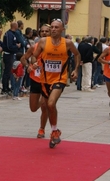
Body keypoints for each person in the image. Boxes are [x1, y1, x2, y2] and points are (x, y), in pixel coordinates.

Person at [32, 19, 80, 148]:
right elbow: (34, 56)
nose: (53, 29)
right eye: (52, 27)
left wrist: (75, 69)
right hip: (45, 80)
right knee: (48, 107)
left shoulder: (68, 43)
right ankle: (54, 130)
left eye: (56, 27)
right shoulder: (43, 42)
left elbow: (77, 55)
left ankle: (54, 131)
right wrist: (34, 63)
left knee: (51, 103)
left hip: (60, 79)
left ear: (62, 30)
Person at [20, 23, 50, 138]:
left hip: (48, 80)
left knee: (45, 106)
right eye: (42, 31)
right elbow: (23, 58)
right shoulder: (35, 47)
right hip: (35, 79)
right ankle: (43, 102)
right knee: (33, 108)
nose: (44, 33)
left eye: (47, 31)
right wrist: (28, 66)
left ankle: (42, 129)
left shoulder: (55, 48)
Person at [2, 22, 21, 95]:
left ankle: (7, 87)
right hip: (8, 55)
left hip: (12, 55)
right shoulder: (9, 34)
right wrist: (17, 46)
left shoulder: (13, 34)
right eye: (17, 25)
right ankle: (4, 88)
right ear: (15, 26)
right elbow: (9, 46)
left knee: (10, 71)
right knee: (7, 71)